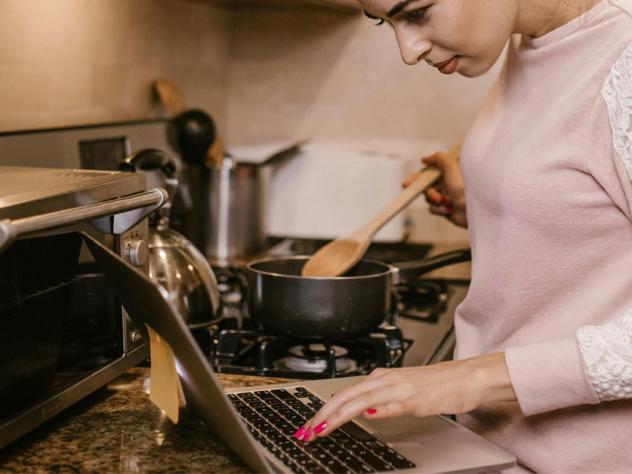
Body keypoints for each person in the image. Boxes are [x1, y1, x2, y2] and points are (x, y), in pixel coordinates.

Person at [294, 0, 632, 472]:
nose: (408, 51)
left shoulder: (624, 60)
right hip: (491, 450)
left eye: (415, 12)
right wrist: (488, 205)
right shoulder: (527, 38)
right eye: (384, 22)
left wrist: (475, 378)